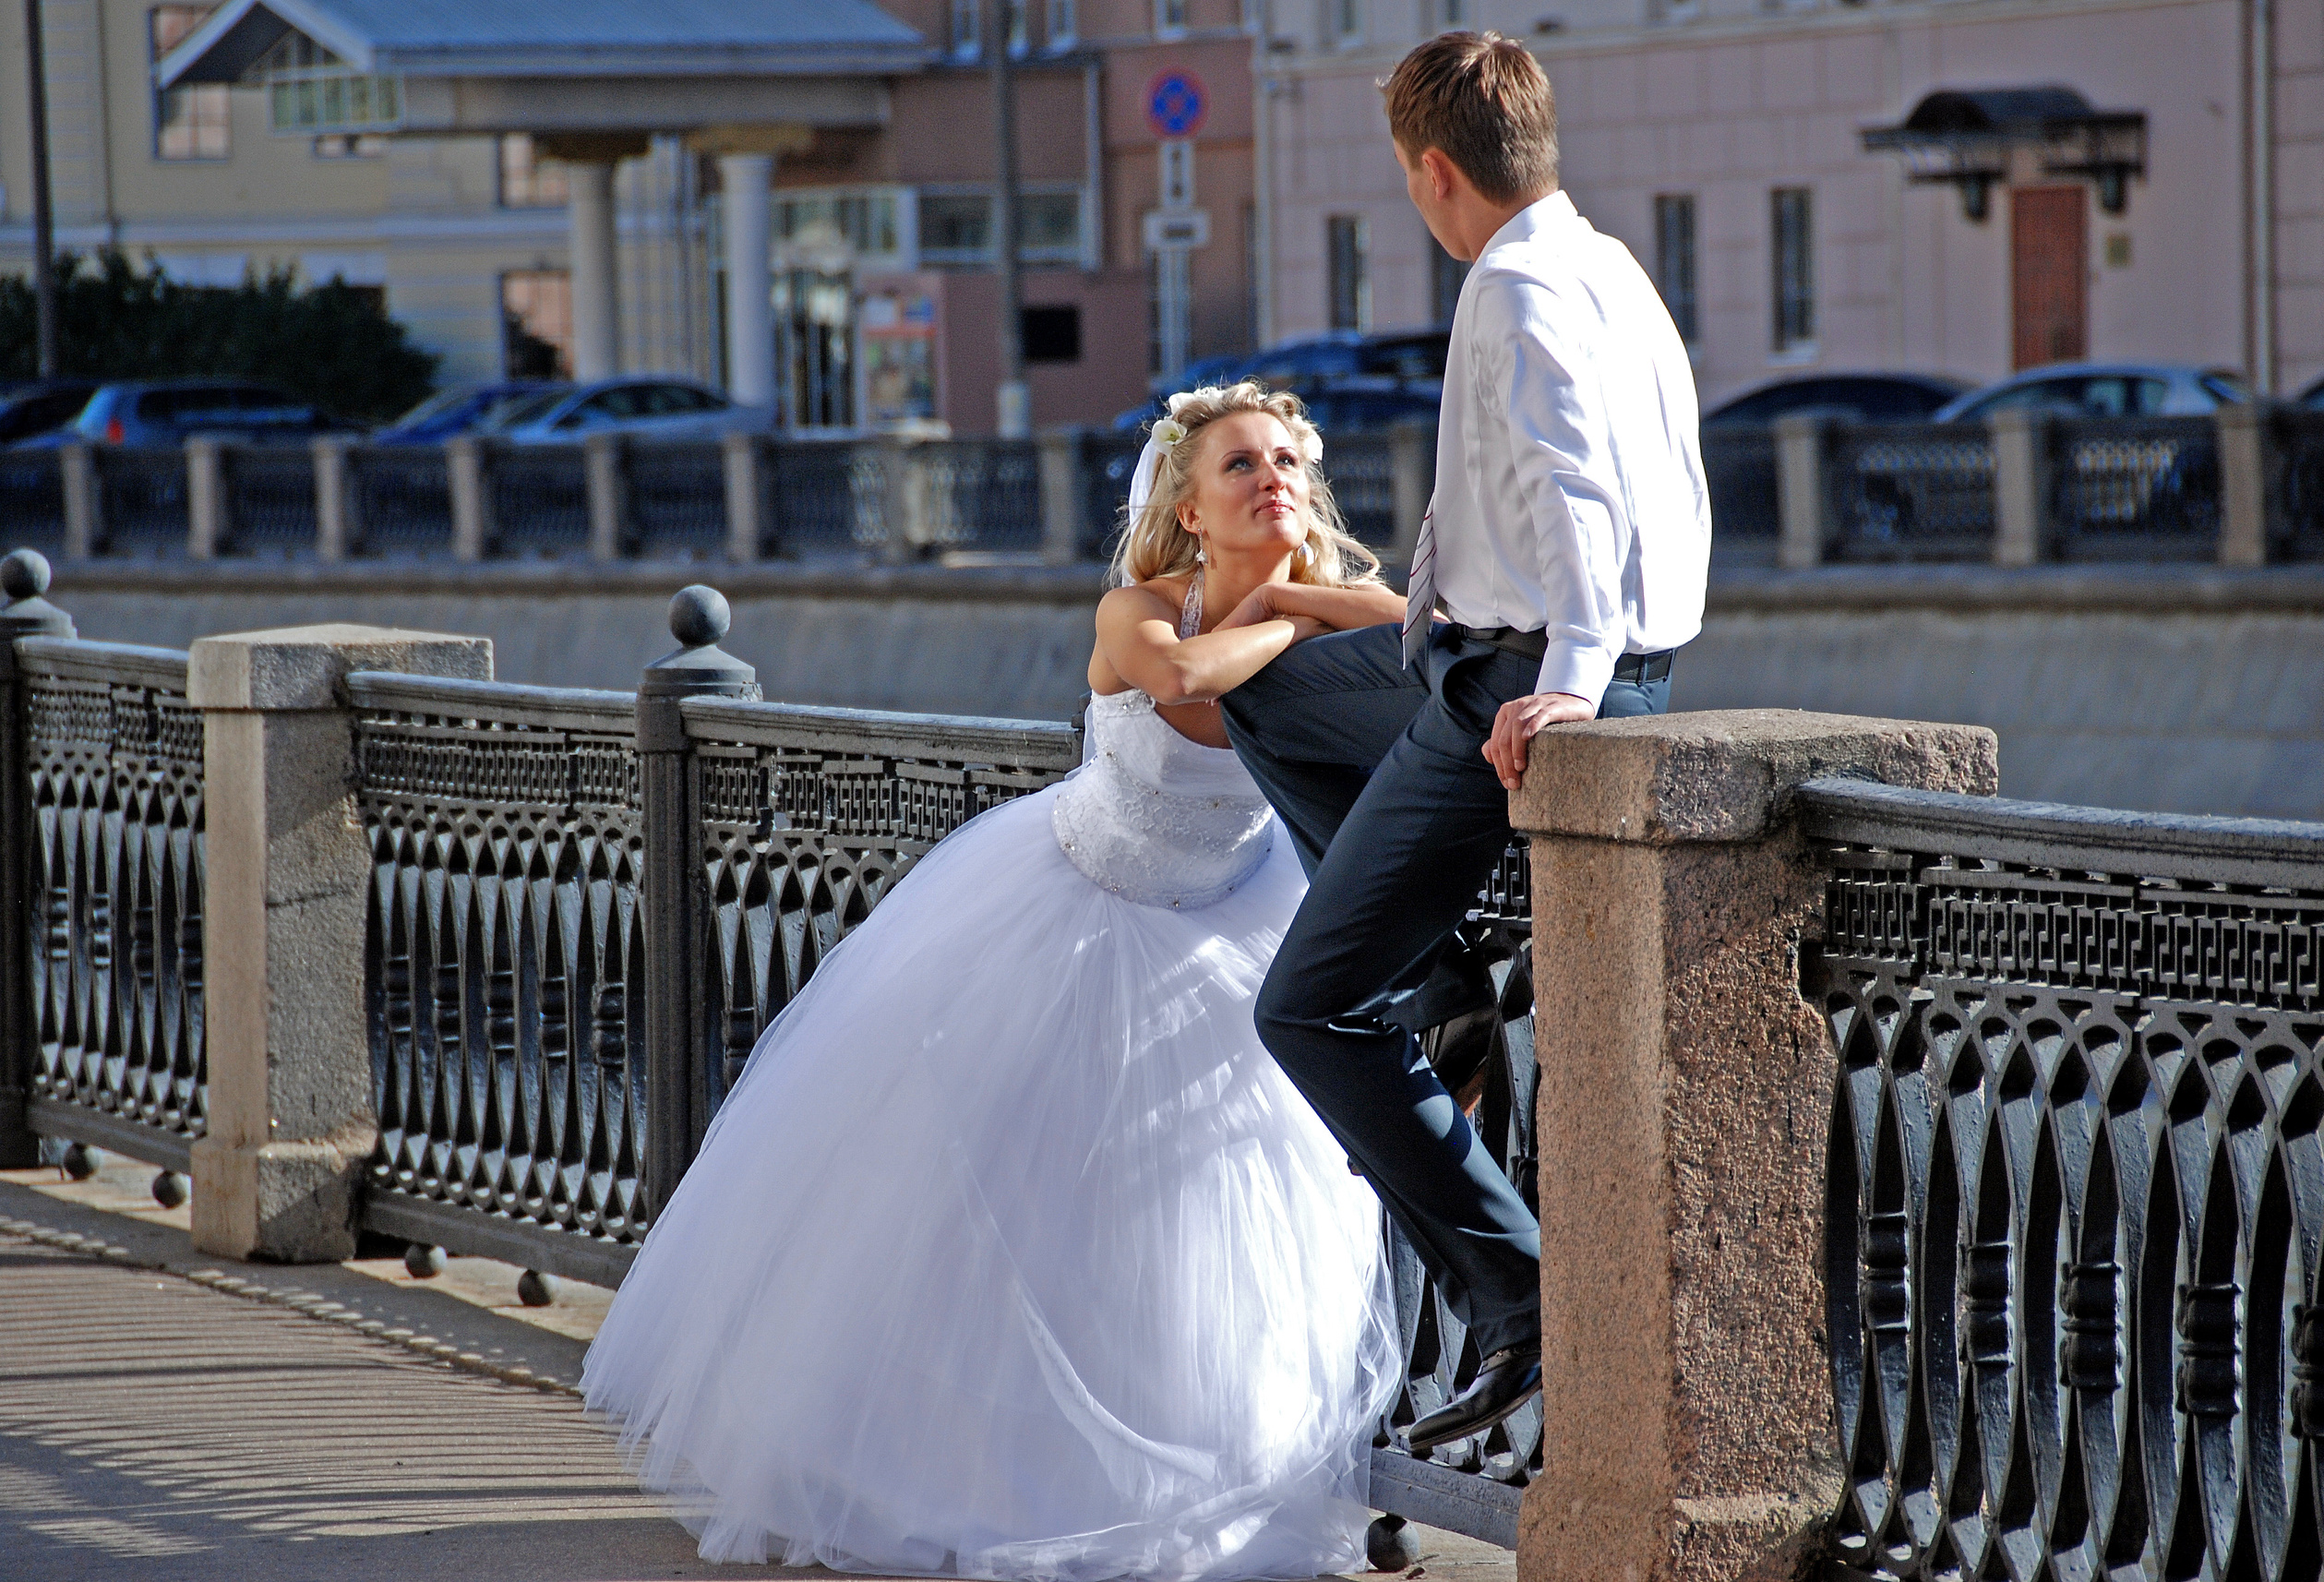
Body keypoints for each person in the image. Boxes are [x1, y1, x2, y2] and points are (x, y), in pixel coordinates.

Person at [581, 382, 1413, 1580]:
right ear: (1187, 505)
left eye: (1288, 459)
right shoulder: (1135, 608)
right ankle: (975, 1486)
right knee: (1023, 1231)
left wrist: (1289, 590)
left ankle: (1186, 1502)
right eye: (1240, 465)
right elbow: (1183, 680)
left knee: (1190, 1243)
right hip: (1072, 921)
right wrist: (1282, 613)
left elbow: (1409, 625)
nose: (1273, 477)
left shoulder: (1319, 608)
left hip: (1226, 947)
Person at [1220, 30, 1712, 1455]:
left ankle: (1519, 1293)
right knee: (1278, 697)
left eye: (1409, 185)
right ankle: (1436, 970)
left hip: (1518, 681)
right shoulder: (1609, 261)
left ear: (1438, 174)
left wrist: (1570, 672)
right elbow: (1662, 476)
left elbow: (1581, 484)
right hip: (1489, 658)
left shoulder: (1512, 286)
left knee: (1306, 1007)